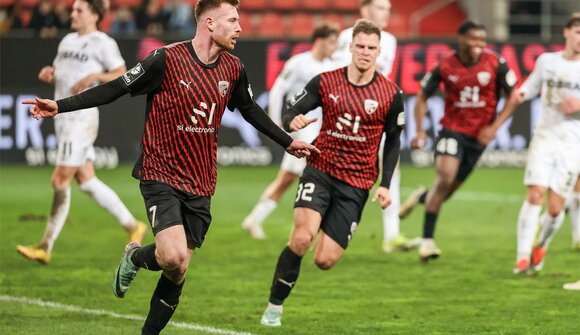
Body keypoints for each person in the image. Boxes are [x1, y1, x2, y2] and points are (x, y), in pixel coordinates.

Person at [24, 1, 318, 333]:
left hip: (202, 181)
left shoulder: (234, 68)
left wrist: (287, 142)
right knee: (173, 255)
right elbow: (117, 88)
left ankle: (141, 294)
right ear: (209, 23)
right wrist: (59, 106)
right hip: (160, 172)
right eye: (233, 20)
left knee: (177, 269)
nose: (240, 28)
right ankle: (136, 259)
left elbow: (250, 110)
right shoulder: (166, 59)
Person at [260, 19, 404, 327]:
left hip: (357, 183)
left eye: (371, 48)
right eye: (360, 46)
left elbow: (393, 141)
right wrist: (291, 122)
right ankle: (275, 305)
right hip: (320, 170)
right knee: (301, 239)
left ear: (379, 52)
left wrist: (387, 184)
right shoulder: (325, 81)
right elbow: (291, 108)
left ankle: (323, 219)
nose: (365, 52)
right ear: (350, 47)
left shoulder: (391, 94)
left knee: (325, 260)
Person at [16, 0, 147, 265]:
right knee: (86, 180)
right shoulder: (66, 41)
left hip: (81, 118)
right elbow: (61, 72)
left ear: (94, 15)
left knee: (59, 180)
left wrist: (96, 76)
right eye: (73, 9)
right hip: (63, 118)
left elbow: (123, 73)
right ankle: (133, 225)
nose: (72, 13)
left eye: (79, 10)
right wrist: (50, 73)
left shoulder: (103, 42)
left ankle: (45, 246)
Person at [409, 21, 517, 262]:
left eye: (482, 40)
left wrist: (494, 127)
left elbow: (514, 98)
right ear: (461, 39)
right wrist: (419, 131)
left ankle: (421, 198)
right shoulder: (445, 65)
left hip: (479, 138)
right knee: (444, 177)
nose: (478, 45)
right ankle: (427, 242)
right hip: (452, 130)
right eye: (473, 39)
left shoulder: (496, 63)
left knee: (445, 192)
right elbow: (422, 96)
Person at [333, 0, 420, 253]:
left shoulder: (389, 40)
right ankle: (325, 225)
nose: (387, 14)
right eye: (381, 8)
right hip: (343, 113)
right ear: (365, 11)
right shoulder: (342, 36)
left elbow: (376, 71)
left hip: (374, 112)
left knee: (390, 166)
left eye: (389, 10)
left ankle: (391, 235)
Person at [497, 14, 579, 274]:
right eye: (577, 32)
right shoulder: (547, 62)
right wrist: (519, 93)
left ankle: (540, 246)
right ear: (566, 33)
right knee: (534, 195)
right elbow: (530, 87)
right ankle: (521, 258)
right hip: (544, 136)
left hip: (572, 144)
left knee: (555, 209)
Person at [241, 23, 339, 239]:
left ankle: (254, 219)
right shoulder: (298, 63)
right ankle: (316, 226)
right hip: (299, 128)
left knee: (287, 178)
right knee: (321, 173)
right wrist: (276, 122)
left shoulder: (331, 65)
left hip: (318, 129)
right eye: (332, 42)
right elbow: (278, 90)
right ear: (320, 41)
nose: (334, 47)